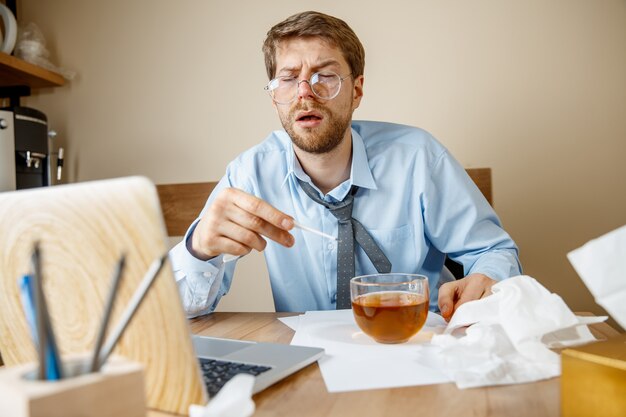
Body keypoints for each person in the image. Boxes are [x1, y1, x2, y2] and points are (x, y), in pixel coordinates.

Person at [169, 11, 521, 320]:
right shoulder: (250, 173)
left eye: (325, 75)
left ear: (356, 91)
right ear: (274, 95)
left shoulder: (419, 157)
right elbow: (180, 310)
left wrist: (487, 281)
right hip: (308, 363)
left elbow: (493, 251)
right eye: (289, 78)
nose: (305, 92)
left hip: (418, 343)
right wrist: (198, 249)